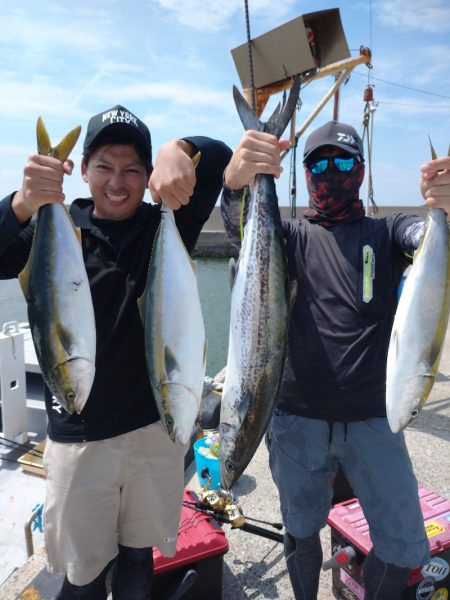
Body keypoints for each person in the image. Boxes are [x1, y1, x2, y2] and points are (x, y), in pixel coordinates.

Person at [0, 104, 231, 599]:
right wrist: (22, 201)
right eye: (104, 166)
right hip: (81, 441)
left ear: (149, 176)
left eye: (133, 168)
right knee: (81, 577)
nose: (117, 180)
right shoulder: (53, 225)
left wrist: (182, 149)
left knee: (137, 562)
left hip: (154, 432)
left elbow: (221, 160)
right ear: (82, 170)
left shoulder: (166, 225)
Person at [221, 120, 450, 600]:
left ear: (361, 171)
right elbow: (239, 226)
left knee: (408, 545)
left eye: (343, 162)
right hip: (296, 420)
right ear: (305, 176)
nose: (331, 173)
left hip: (375, 419)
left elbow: (425, 240)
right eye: (319, 164)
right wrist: (235, 182)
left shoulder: (387, 232)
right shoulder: (288, 237)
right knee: (301, 528)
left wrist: (444, 209)